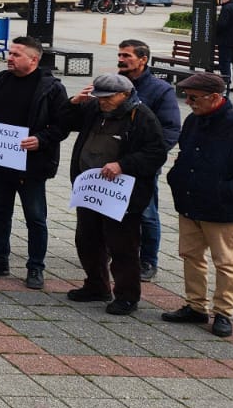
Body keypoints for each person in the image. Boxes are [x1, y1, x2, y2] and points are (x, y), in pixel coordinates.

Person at [60, 72, 167, 315]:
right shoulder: (94, 109)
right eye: (98, 97)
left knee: (123, 247)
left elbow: (155, 153)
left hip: (122, 195)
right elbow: (65, 123)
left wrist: (123, 165)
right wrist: (73, 103)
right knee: (87, 240)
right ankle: (96, 285)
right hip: (91, 190)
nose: (102, 101)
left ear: (125, 95)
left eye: (108, 98)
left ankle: (127, 296)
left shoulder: (142, 117)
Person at [0, 35, 68, 288]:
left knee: (35, 217)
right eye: (9, 53)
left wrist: (41, 140)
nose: (8, 58)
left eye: (15, 55)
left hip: (31, 165)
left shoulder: (51, 87)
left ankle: (35, 267)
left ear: (33, 60)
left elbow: (63, 125)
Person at [162, 71, 233, 338]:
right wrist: (177, 177)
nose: (188, 102)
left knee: (225, 261)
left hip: (224, 207)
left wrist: (230, 190)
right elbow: (185, 151)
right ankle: (196, 306)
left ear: (215, 97)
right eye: (186, 96)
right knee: (190, 255)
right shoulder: (195, 120)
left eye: (193, 97)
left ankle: (224, 312)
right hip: (190, 200)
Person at [114, 40, 181, 281]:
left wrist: (150, 158)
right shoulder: (115, 84)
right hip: (112, 164)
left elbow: (171, 130)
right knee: (114, 211)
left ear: (143, 59)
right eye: (120, 55)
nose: (121, 59)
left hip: (142, 165)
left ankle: (148, 260)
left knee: (146, 213)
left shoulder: (160, 90)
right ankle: (119, 253)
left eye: (127, 55)